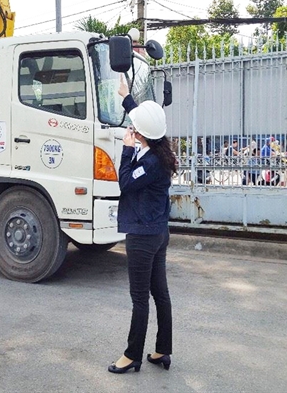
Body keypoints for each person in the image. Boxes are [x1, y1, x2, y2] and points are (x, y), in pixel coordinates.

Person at [111, 79, 176, 374]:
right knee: (159, 294)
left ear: (141, 134)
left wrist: (125, 150)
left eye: (135, 129)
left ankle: (132, 355)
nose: (132, 130)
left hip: (143, 235)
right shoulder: (158, 147)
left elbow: (125, 182)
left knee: (140, 299)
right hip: (158, 232)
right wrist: (127, 98)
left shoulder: (148, 164)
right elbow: (144, 119)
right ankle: (162, 350)